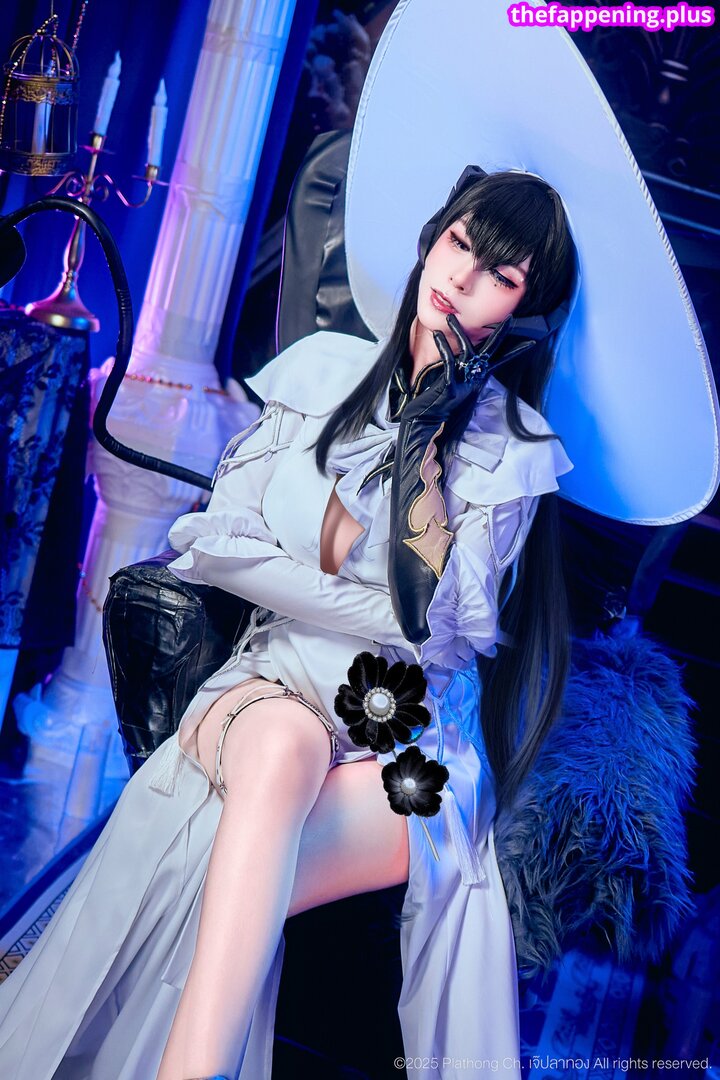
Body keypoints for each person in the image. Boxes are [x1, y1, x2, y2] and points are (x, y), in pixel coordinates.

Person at [0, 168, 575, 1080]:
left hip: (414, 755)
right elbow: (214, 545)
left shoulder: (513, 448)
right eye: (460, 243)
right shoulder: (323, 371)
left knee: (213, 872)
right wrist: (374, 605)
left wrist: (426, 443)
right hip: (271, 686)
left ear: (526, 313)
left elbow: (439, 630)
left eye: (501, 276)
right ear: (432, 238)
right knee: (278, 749)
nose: (462, 279)